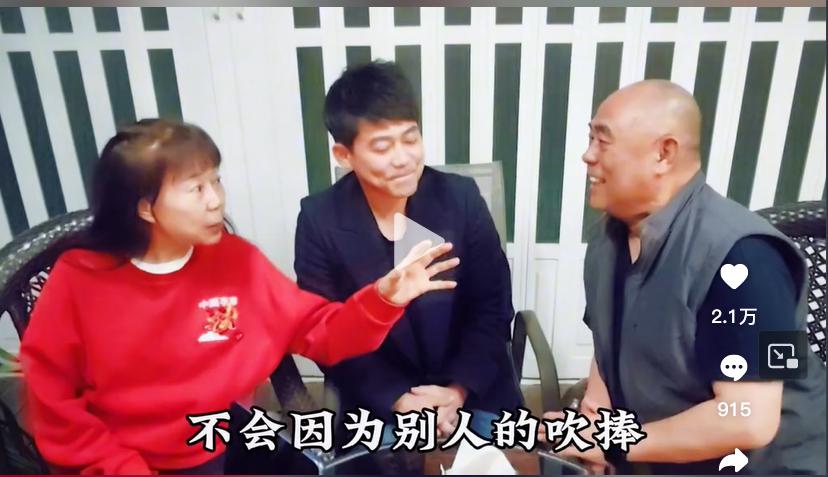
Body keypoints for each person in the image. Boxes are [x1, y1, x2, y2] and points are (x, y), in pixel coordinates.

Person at [19, 118, 458, 474]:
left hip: (219, 444)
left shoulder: (235, 260)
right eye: (196, 188)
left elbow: (320, 332)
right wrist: (119, 467)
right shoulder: (80, 278)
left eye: (216, 181)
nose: (216, 201)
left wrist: (384, 298)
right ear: (146, 207)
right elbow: (51, 399)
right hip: (118, 460)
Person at [541, 80, 826, 474]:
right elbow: (608, 341)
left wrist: (612, 444)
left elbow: (749, 419)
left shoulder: (748, 257)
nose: (587, 155)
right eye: (590, 139)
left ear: (664, 153)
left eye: (602, 142)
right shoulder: (607, 239)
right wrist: (593, 422)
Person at [294, 61, 522, 444]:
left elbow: (492, 307)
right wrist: (400, 400)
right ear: (344, 155)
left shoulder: (460, 199)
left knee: (503, 459)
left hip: (470, 387)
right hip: (380, 399)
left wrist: (456, 393)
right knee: (387, 459)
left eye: (411, 139)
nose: (403, 159)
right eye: (383, 147)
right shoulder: (320, 220)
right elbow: (325, 331)